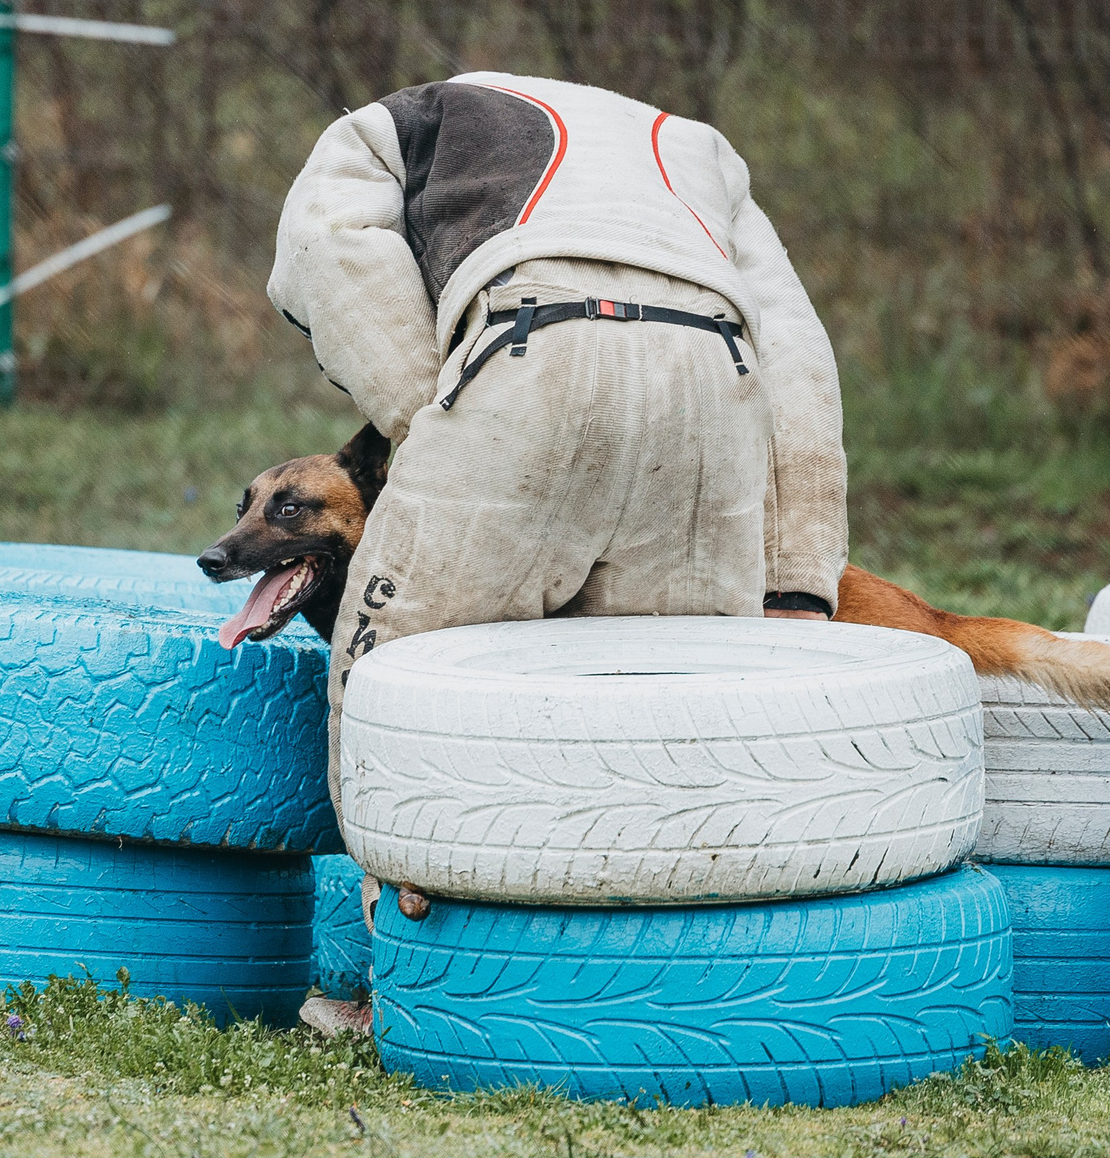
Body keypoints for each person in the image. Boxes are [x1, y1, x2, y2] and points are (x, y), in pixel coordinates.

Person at [266, 71, 848, 776]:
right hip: (713, 384)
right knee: (671, 733)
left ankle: (397, 875)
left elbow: (327, 249)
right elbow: (793, 348)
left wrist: (428, 417)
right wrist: (796, 581)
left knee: (401, 686)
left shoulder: (396, 122)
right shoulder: (704, 148)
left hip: (534, 349)